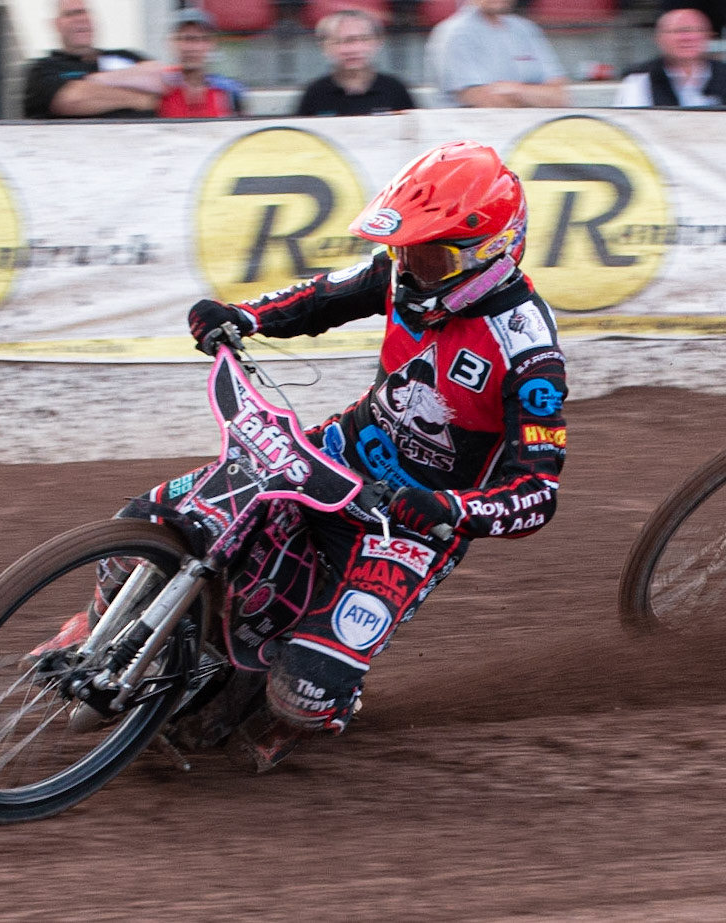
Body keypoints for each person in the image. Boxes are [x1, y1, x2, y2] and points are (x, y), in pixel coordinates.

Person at [182, 141, 568, 771]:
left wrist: (443, 507)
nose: (410, 267)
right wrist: (240, 317)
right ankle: (93, 631)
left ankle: (331, 698)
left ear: (491, 251)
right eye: (405, 249)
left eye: (430, 254)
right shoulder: (403, 273)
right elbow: (318, 299)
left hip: (408, 527)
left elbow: (537, 494)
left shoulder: (529, 355)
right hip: (334, 457)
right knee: (172, 517)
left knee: (301, 692)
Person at [24, 0, 166, 118]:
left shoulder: (123, 56)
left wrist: (97, 80)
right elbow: (73, 100)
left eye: (84, 12)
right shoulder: (43, 69)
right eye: (71, 14)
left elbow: (161, 77)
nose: (80, 19)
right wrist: (140, 99)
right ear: (56, 24)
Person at [425, 0, 569, 107]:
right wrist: (537, 95)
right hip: (474, 139)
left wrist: (515, 90)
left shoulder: (525, 29)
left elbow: (560, 97)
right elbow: (482, 100)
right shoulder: (455, 33)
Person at [615, 7, 726, 106]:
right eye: (678, 31)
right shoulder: (639, 81)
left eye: (694, 31)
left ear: (708, 37)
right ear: (659, 39)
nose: (687, 38)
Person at [295, 9, 415, 116]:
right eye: (343, 41)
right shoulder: (315, 93)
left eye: (363, 39)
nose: (353, 49)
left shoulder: (395, 90)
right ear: (325, 47)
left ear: (378, 42)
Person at [156, 7, 245, 118]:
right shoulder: (160, 86)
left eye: (200, 39)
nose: (191, 48)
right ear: (172, 43)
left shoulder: (228, 91)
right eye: (185, 39)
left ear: (211, 44)